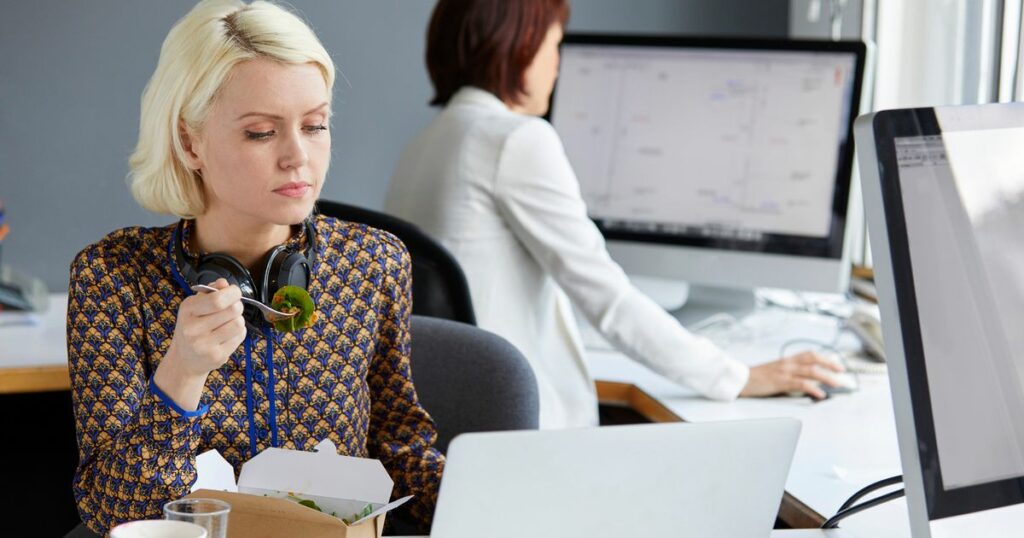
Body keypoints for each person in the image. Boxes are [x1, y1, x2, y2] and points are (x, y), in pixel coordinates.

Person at [66, 1, 442, 534]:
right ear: (190, 141)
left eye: (315, 125)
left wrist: (488, 501)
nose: (298, 157)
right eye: (262, 133)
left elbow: (402, 450)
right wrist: (181, 373)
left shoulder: (373, 262)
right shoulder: (114, 277)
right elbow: (114, 514)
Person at [385, 0, 843, 429]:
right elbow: (607, 298)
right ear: (519, 46)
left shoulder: (423, 145)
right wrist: (737, 376)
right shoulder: (516, 139)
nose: (557, 66)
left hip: (456, 421)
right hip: (524, 427)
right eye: (554, 46)